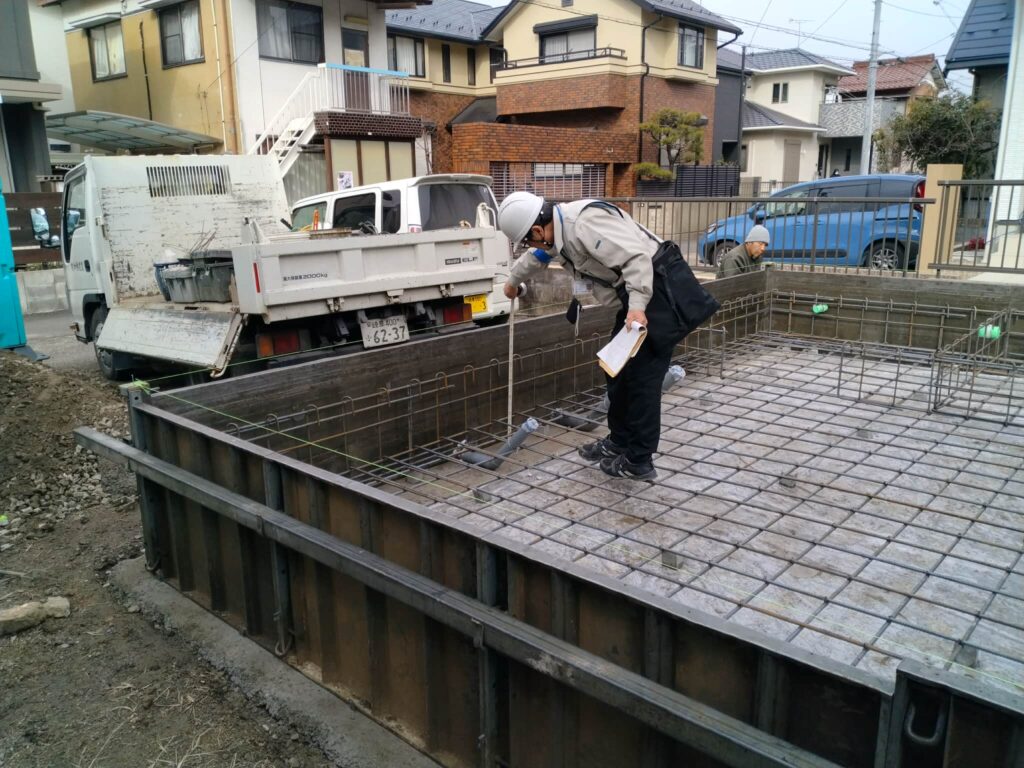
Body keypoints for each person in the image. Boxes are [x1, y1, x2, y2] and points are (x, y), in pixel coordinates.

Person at [498, 192, 694, 481]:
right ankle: (619, 441)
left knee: (642, 379)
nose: (532, 246)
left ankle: (639, 460)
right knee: (616, 371)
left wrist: (638, 307)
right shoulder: (557, 231)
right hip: (636, 297)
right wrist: (513, 280)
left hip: (657, 292)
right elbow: (538, 256)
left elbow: (636, 257)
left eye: (529, 240)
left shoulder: (584, 225)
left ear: (538, 230)